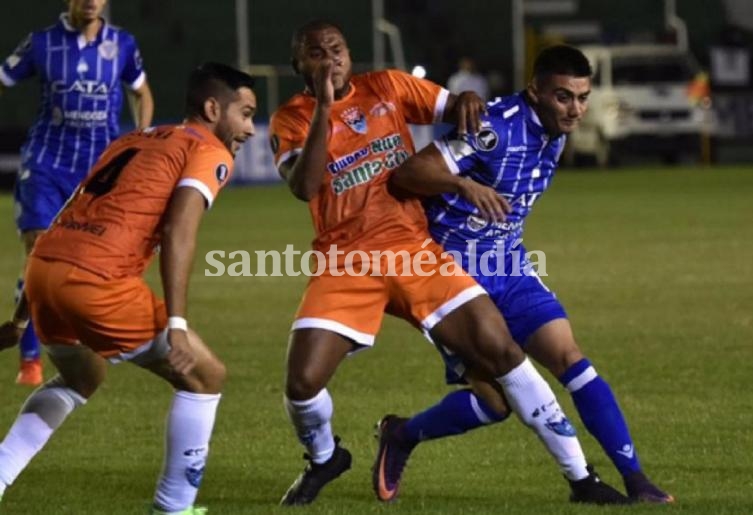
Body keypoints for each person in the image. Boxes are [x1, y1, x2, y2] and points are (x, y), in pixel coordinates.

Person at [269, 20, 628, 507]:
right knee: (302, 382)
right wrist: (326, 110)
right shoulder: (290, 118)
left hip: (416, 250)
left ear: (350, 54)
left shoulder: (388, 86)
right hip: (346, 262)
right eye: (316, 52)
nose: (329, 58)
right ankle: (325, 458)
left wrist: (466, 102)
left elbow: (452, 106)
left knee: (501, 354)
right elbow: (304, 186)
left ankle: (581, 479)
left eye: (337, 48)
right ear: (299, 65)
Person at [376, 45, 674, 504]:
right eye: (563, 97)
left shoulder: (555, 129)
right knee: (494, 405)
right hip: (451, 276)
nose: (574, 109)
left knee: (569, 357)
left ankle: (636, 479)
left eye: (581, 97)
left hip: (509, 266)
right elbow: (409, 174)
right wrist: (463, 183)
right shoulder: (495, 127)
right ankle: (401, 435)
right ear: (535, 90)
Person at [0, 62, 256, 514]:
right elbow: (180, 230)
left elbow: (64, 215)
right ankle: (174, 508)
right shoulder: (211, 152)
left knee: (83, 376)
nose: (250, 130)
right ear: (214, 108)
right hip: (96, 281)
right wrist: (176, 323)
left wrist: (21, 318)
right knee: (205, 376)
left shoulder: (132, 139)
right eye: (246, 114)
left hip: (46, 270)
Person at [0, 0, 154, 386]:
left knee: (87, 259)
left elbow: (142, 93)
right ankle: (30, 356)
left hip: (98, 171)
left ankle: (76, 339)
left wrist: (139, 138)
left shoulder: (122, 44)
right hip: (46, 164)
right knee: (39, 250)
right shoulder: (41, 43)